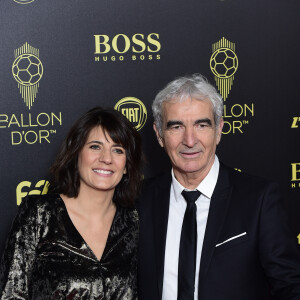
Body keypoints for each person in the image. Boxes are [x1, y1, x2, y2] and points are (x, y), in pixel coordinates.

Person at [137, 74, 300, 300]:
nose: (190, 140)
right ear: (159, 135)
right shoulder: (140, 199)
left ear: (219, 129)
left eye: (201, 125)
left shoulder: (259, 199)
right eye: (176, 127)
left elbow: (291, 286)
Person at [0, 107, 143, 299]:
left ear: (126, 165)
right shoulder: (39, 214)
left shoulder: (134, 221)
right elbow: (10, 293)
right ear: (76, 154)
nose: (106, 159)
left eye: (117, 150)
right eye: (95, 146)